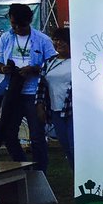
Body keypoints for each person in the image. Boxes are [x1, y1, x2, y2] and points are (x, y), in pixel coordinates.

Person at [0, 3, 56, 172]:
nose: (16, 28)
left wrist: (34, 69)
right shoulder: (6, 38)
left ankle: (40, 173)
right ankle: (23, 168)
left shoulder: (42, 39)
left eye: (20, 25)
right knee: (8, 133)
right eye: (13, 24)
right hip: (12, 90)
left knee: (37, 136)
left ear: (28, 21)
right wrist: (3, 69)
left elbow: (53, 64)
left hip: (34, 92)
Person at [40, 28, 74, 166]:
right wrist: (40, 105)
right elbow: (41, 86)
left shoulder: (77, 61)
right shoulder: (49, 62)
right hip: (55, 111)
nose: (58, 43)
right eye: (55, 40)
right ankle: (74, 174)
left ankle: (81, 175)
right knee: (65, 146)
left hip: (72, 111)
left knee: (74, 146)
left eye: (62, 40)